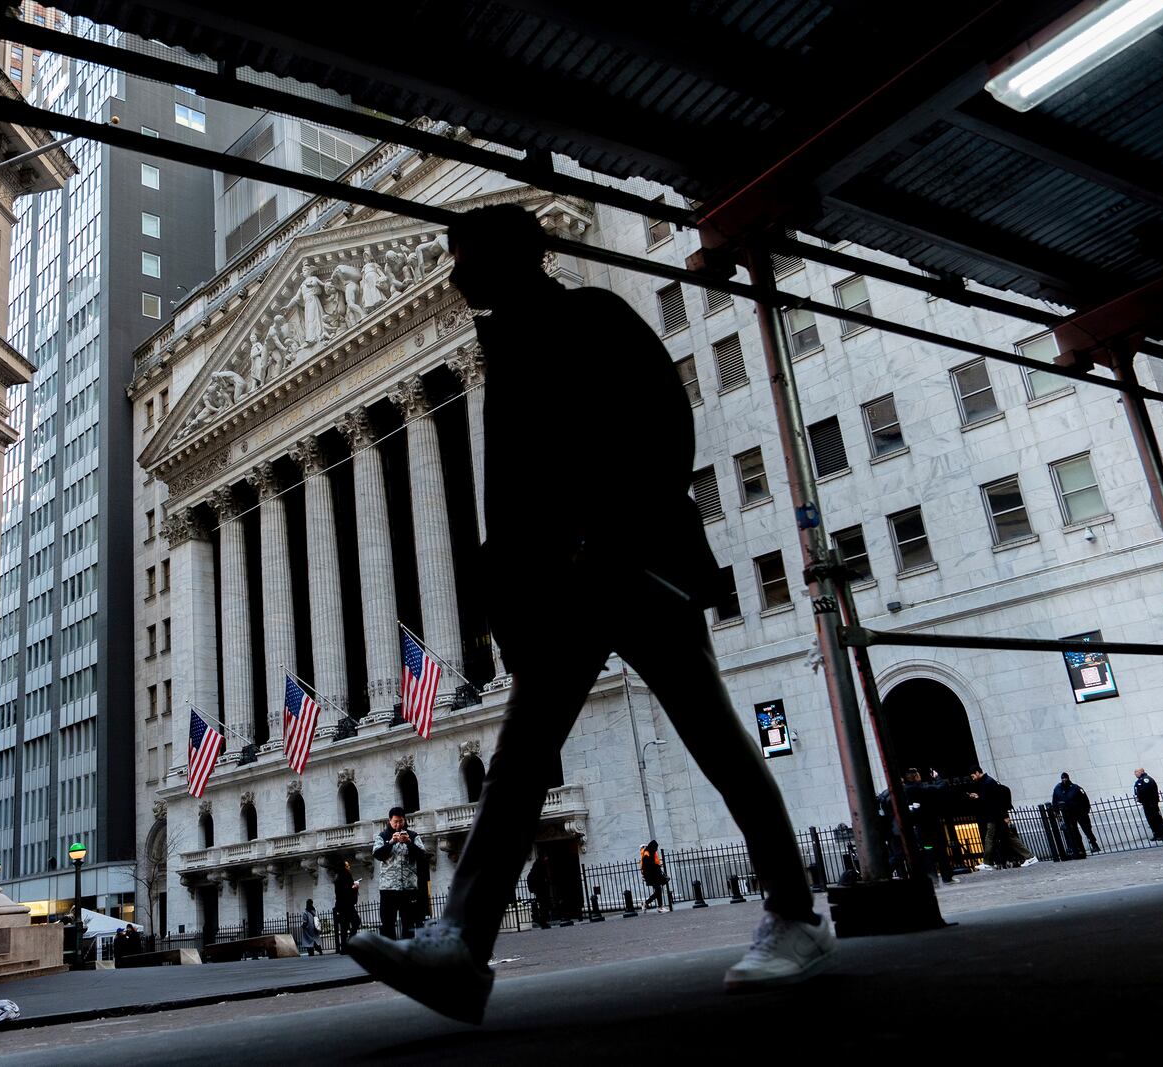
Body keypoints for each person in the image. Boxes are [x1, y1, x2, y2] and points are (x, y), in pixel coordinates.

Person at [346, 205, 835, 1024]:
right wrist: (509, 601)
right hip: (556, 595)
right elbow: (508, 498)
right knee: (520, 760)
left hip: (635, 567)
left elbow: (664, 426)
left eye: (466, 255)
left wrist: (612, 534)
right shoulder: (503, 349)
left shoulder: (593, 316)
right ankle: (462, 947)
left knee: (712, 734)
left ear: (516, 258)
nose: (456, 273)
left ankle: (796, 913)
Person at [372, 807, 426, 940]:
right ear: (389, 821)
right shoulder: (382, 836)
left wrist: (409, 843)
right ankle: (389, 952)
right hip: (388, 888)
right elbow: (377, 855)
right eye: (395, 822)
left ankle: (406, 954)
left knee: (408, 923)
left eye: (401, 821)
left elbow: (422, 856)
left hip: (408, 888)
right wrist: (391, 842)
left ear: (404, 820)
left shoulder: (413, 836)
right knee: (387, 923)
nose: (398, 825)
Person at [967, 768, 1036, 870]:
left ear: (977, 773)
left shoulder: (988, 782)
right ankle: (1030, 857)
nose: (973, 779)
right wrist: (978, 796)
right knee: (1008, 837)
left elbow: (997, 801)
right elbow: (989, 799)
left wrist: (1005, 816)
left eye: (973, 776)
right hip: (995, 816)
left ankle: (987, 862)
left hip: (995, 816)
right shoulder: (987, 782)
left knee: (990, 837)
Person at [1052, 772, 1099, 857]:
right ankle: (1078, 848)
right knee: (1073, 832)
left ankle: (1093, 844)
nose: (1064, 780)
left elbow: (1085, 799)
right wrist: (1057, 813)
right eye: (1063, 778)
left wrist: (1086, 810)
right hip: (1067, 814)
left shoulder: (1076, 788)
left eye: (1065, 778)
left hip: (1080, 812)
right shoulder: (1057, 789)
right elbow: (1055, 801)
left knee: (1087, 829)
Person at [331, 860, 361, 953]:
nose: (349, 867)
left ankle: (344, 947)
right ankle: (349, 943)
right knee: (356, 921)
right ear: (344, 867)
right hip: (346, 905)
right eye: (347, 866)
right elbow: (346, 892)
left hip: (341, 905)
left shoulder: (338, 877)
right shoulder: (345, 876)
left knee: (344, 926)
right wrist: (355, 887)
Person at [1133, 767, 1163, 841]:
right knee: (1151, 820)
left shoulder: (1146, 779)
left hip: (1151, 803)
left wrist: (1142, 798)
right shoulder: (1140, 780)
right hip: (1146, 803)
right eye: (1135, 772)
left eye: (1136, 772)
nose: (1135, 774)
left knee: (1156, 818)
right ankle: (1156, 833)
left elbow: (1146, 791)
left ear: (1142, 772)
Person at [526, 854, 553, 929]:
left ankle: (543, 921)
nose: (547, 858)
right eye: (546, 857)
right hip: (541, 890)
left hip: (541, 890)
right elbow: (539, 879)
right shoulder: (539, 867)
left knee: (545, 906)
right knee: (544, 906)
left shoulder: (540, 866)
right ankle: (542, 921)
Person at [640, 841, 668, 911]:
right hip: (652, 876)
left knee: (658, 890)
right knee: (658, 890)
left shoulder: (649, 852)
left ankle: (649, 903)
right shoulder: (647, 853)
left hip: (654, 875)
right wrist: (657, 866)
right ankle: (658, 907)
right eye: (655, 848)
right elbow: (648, 865)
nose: (656, 849)